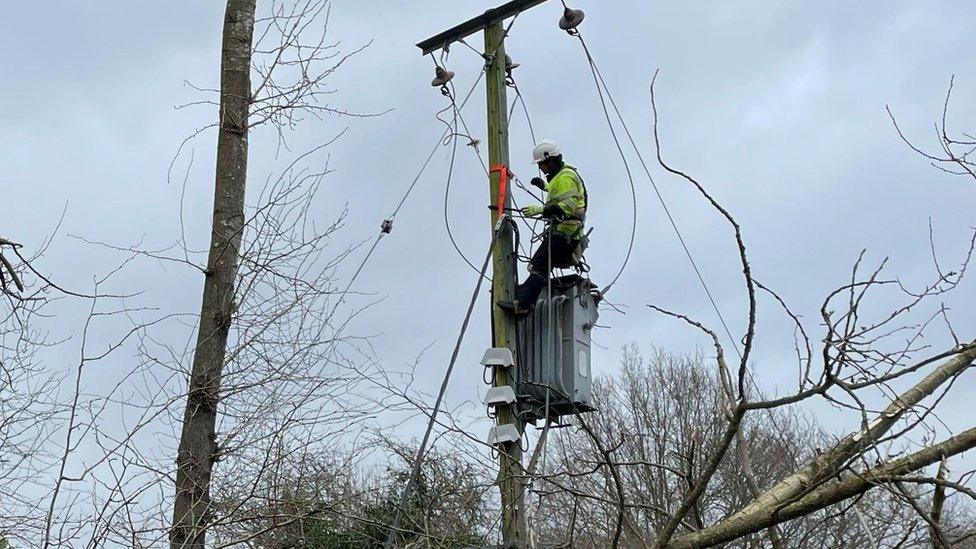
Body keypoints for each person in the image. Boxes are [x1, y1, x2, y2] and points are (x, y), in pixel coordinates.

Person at [498, 139, 588, 317]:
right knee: (539, 265)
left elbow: (565, 208)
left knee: (540, 265)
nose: (541, 168)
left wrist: (539, 210)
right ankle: (524, 295)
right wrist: (545, 187)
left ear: (550, 160)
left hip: (565, 233)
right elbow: (562, 196)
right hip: (564, 233)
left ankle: (523, 304)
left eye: (541, 164)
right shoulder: (561, 176)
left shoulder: (566, 177)